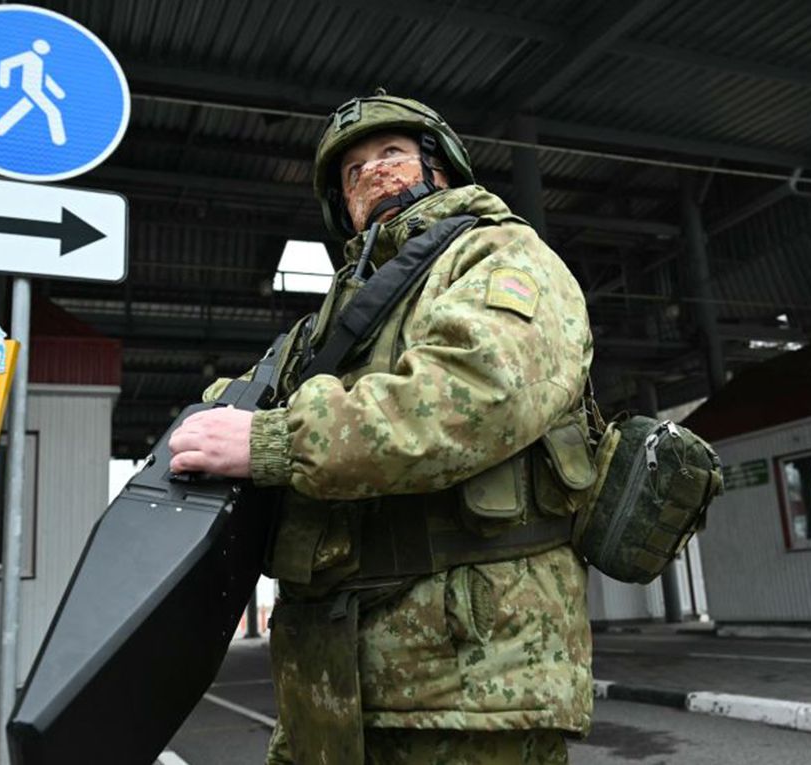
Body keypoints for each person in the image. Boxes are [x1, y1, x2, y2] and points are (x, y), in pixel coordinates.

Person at [168, 91, 594, 765]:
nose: (372, 172)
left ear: (441, 169)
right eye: (352, 169)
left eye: (392, 153)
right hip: (325, 688)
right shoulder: (339, 313)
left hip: (466, 680)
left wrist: (277, 443)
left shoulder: (496, 252)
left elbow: (480, 392)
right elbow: (248, 403)